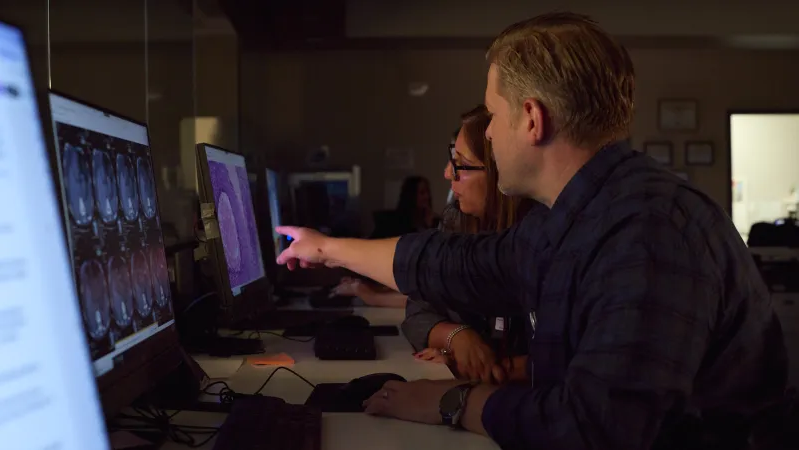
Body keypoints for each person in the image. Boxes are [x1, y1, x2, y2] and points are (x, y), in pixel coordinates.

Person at [274, 12, 787, 450]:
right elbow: (466, 265)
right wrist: (328, 248)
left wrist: (456, 401)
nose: (490, 133)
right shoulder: (579, 213)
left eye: (493, 115)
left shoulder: (647, 234)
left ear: (531, 118)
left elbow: (593, 431)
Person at [335, 106, 532, 384]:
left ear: (501, 172)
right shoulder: (457, 223)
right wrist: (457, 337)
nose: (447, 173)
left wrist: (483, 365)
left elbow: (563, 363)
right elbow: (418, 309)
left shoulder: (539, 242)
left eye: (460, 164)